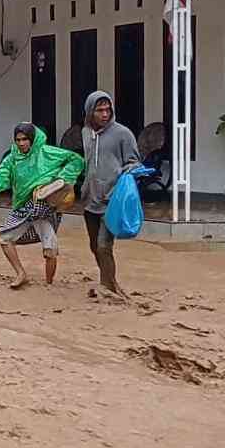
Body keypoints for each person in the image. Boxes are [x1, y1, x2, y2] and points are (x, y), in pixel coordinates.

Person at [0, 123, 84, 289]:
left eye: (25, 139)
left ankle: (49, 285)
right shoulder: (12, 159)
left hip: (46, 208)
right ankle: (21, 273)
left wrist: (63, 178)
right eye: (18, 140)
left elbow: (76, 160)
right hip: (25, 208)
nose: (21, 143)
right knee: (3, 238)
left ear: (33, 139)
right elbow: (1, 179)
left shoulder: (48, 152)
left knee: (50, 250)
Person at [81, 90, 140, 295]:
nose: (105, 114)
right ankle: (107, 280)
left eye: (108, 110)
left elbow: (134, 162)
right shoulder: (86, 133)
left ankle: (109, 286)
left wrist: (130, 169)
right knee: (94, 246)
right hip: (90, 199)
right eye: (99, 110)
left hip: (111, 200)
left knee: (104, 245)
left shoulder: (123, 134)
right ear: (90, 112)